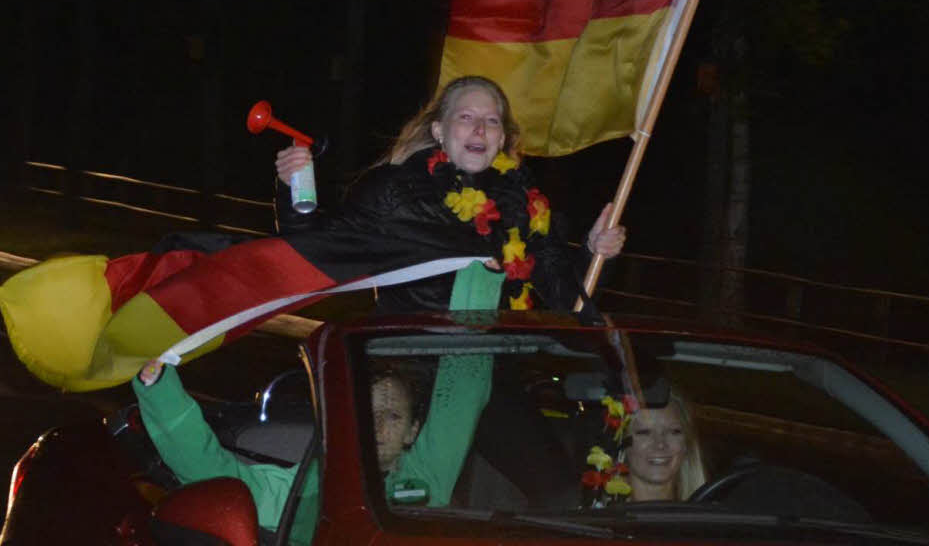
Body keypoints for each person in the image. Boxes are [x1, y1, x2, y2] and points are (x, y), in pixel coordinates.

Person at [134, 261, 502, 546]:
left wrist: (482, 276)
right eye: (367, 413)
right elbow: (204, 468)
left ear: (413, 431)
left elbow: (464, 381)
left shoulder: (428, 477)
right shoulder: (305, 489)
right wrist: (158, 383)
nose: (377, 426)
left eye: (392, 415)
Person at [273, 75, 626, 314]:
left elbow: (566, 300)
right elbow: (308, 250)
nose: (479, 128)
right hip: (406, 360)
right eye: (466, 116)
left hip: (490, 367)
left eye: (491, 121)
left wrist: (595, 254)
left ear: (501, 139)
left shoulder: (527, 206)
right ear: (440, 131)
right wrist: (293, 187)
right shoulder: (395, 191)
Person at [624, 387, 706, 501]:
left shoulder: (708, 515)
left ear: (686, 445)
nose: (660, 444)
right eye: (644, 432)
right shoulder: (598, 514)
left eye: (673, 432)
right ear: (623, 444)